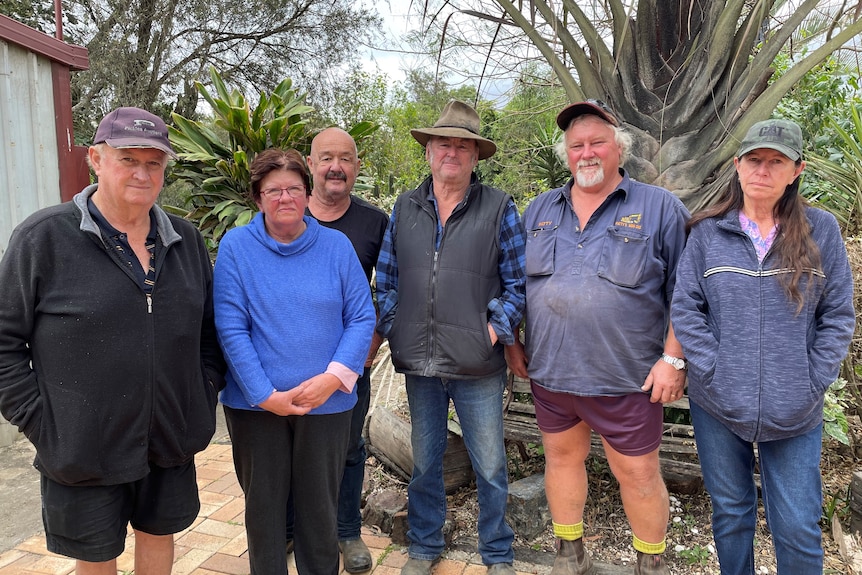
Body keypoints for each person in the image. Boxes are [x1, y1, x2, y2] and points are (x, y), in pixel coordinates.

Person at [0, 107, 226, 575]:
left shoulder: (184, 241)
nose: (142, 173)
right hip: (85, 446)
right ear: (96, 160)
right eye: (128, 159)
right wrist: (44, 423)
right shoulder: (44, 239)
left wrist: (199, 398)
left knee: (159, 538)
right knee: (97, 555)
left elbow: (209, 332)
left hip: (169, 436)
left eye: (154, 163)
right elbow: (4, 341)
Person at [505, 100, 690, 575]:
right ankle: (570, 553)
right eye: (577, 145)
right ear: (566, 153)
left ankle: (650, 563)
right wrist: (513, 341)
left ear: (619, 149)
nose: (587, 154)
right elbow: (516, 285)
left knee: (639, 473)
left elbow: (689, 293)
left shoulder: (659, 207)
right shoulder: (541, 209)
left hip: (627, 379)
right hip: (552, 374)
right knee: (562, 461)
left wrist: (673, 359)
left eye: (597, 143)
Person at [671, 119, 855, 574]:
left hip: (795, 409)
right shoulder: (708, 234)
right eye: (754, 159)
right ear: (737, 166)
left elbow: (838, 317)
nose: (763, 170)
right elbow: (686, 307)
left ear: (797, 170)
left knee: (796, 525)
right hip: (717, 406)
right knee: (731, 516)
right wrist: (713, 369)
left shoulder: (821, 232)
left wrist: (812, 379)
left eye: (777, 161)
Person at [376, 100, 526, 575]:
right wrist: (397, 324)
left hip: (478, 365)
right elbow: (386, 278)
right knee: (425, 463)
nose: (453, 153)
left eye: (464, 146)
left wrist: (491, 331)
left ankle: (497, 552)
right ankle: (423, 545)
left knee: (490, 466)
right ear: (428, 152)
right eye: (444, 144)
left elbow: (519, 283)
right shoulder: (405, 206)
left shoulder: (499, 206)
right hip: (419, 363)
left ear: (476, 157)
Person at [214, 148, 376, 575]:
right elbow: (231, 327)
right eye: (273, 190)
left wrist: (332, 379)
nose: (284, 198)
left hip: (327, 404)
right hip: (256, 407)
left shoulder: (336, 247)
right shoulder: (236, 248)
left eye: (293, 189)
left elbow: (361, 317)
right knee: (264, 512)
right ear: (257, 196)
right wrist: (265, 394)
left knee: (319, 511)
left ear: (307, 193)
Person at [282, 127, 388, 572]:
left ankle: (345, 530)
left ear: (357, 167)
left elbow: (391, 287)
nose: (336, 167)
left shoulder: (373, 223)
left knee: (347, 448)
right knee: (286, 449)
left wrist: (372, 340)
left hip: (346, 364)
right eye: (326, 158)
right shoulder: (283, 212)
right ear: (310, 164)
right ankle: (289, 529)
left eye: (345, 159)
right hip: (285, 358)